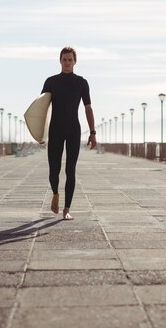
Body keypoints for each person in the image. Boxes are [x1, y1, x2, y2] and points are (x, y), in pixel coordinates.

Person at [42, 47, 97, 220]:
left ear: (75, 61)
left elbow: (88, 108)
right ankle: (56, 194)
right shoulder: (51, 82)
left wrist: (93, 132)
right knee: (54, 170)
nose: (67, 63)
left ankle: (67, 209)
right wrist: (40, 134)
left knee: (70, 169)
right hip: (55, 130)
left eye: (70, 60)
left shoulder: (81, 83)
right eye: (64, 60)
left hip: (73, 129)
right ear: (60, 61)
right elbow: (42, 109)